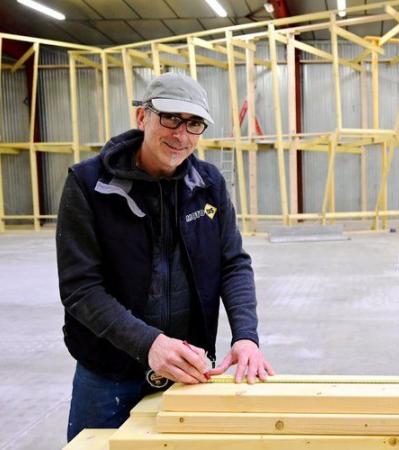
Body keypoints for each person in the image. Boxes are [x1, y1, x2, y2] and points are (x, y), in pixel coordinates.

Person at [56, 72, 273, 441]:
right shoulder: (89, 185)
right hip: (107, 376)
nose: (181, 135)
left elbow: (233, 264)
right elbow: (81, 290)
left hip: (187, 372)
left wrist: (246, 336)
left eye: (194, 124)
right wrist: (150, 344)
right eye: (170, 118)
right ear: (143, 117)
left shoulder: (208, 185)